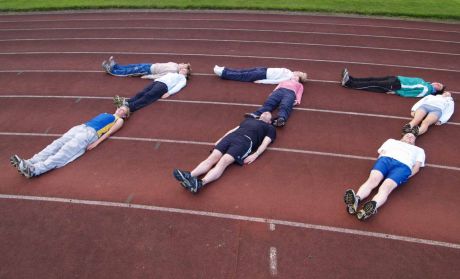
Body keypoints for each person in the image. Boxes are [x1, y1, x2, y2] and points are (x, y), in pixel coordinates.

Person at [10, 106, 129, 178]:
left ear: (124, 115)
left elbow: (108, 133)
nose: (120, 110)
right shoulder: (106, 113)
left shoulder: (119, 120)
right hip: (81, 127)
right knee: (55, 145)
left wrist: (96, 143)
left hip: (91, 134)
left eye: (123, 110)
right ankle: (29, 162)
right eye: (120, 108)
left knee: (64, 152)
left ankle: (35, 170)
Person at [173, 112, 276, 194]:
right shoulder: (249, 120)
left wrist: (256, 154)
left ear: (269, 121)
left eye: (268, 114)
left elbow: (265, 143)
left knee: (223, 162)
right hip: (231, 137)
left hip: (245, 141)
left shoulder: (270, 128)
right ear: (259, 116)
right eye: (264, 113)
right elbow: (233, 130)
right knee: (212, 158)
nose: (266, 113)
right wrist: (221, 138)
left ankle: (201, 183)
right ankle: (189, 176)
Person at [343, 133, 425, 220]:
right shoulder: (391, 141)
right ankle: (356, 200)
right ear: (402, 136)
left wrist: (405, 176)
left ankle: (370, 208)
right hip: (386, 160)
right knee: (372, 180)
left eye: (412, 137)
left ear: (415, 140)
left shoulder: (419, 150)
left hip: (403, 167)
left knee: (386, 187)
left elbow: (416, 168)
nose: (410, 137)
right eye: (407, 135)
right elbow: (381, 153)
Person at [113, 69, 189, 114]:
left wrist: (169, 93)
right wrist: (149, 77)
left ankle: (131, 107)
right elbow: (159, 76)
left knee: (148, 95)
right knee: (141, 93)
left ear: (186, 75)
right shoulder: (172, 73)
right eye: (182, 69)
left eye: (185, 70)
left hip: (164, 86)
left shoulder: (183, 79)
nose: (182, 70)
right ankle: (127, 102)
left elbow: (178, 87)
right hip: (156, 82)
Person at [341, 68, 445, 97]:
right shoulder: (424, 82)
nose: (437, 83)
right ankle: (351, 79)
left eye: (439, 85)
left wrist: (397, 92)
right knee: (372, 79)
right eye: (439, 83)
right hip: (396, 79)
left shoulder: (426, 90)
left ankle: (349, 83)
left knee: (373, 84)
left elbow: (411, 94)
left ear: (436, 90)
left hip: (397, 86)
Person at [102, 56, 191, 79]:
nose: (182, 63)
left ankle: (112, 71)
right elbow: (164, 63)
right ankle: (116, 66)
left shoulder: (173, 71)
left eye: (184, 65)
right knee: (132, 66)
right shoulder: (174, 64)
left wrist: (148, 77)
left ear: (182, 69)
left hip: (148, 70)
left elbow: (160, 76)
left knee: (130, 71)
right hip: (150, 65)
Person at [213, 65, 307, 84]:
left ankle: (223, 73)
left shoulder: (288, 78)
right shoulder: (289, 72)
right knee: (242, 71)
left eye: (300, 73)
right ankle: (224, 69)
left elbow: (275, 81)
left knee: (242, 76)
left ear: (298, 77)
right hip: (264, 69)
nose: (298, 70)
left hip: (263, 75)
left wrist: (261, 81)